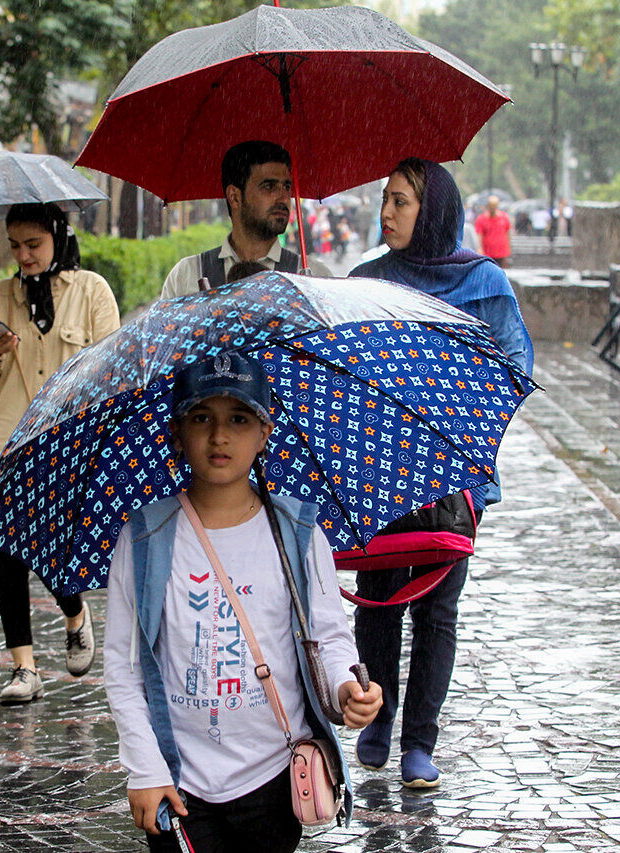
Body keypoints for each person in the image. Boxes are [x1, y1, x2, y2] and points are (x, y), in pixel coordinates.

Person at [103, 352, 383, 851]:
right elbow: (124, 667)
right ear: (176, 432)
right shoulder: (146, 536)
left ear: (264, 432)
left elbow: (328, 634)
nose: (219, 436)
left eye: (238, 418)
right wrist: (144, 767)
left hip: (274, 773)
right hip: (178, 778)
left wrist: (345, 687)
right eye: (201, 418)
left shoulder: (297, 531)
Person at [350, 158, 532, 789]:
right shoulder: (365, 280)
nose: (387, 213)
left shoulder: (482, 283)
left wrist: (445, 401)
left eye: (400, 201)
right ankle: (377, 719)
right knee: (376, 602)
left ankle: (419, 742)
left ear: (433, 210)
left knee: (436, 613)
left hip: (452, 477)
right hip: (379, 472)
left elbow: (513, 367)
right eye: (385, 199)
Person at [0, 202, 120, 705]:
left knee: (52, 549)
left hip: (67, 441)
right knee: (9, 553)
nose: (24, 255)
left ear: (57, 237)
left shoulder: (91, 291)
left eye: (33, 244)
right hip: (9, 443)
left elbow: (112, 369)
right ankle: (24, 668)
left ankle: (75, 614)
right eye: (14, 245)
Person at [160, 141, 330, 299]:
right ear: (234, 197)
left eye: (286, 186)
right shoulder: (187, 276)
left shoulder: (316, 279)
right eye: (269, 187)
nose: (284, 198)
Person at [474, 195, 512, 268]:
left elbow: (508, 232)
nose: (493, 208)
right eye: (491, 206)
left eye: (494, 206)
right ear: (488, 206)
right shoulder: (481, 219)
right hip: (487, 252)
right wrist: (479, 248)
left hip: (501, 251)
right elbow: (479, 234)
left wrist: (508, 248)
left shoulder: (504, 217)